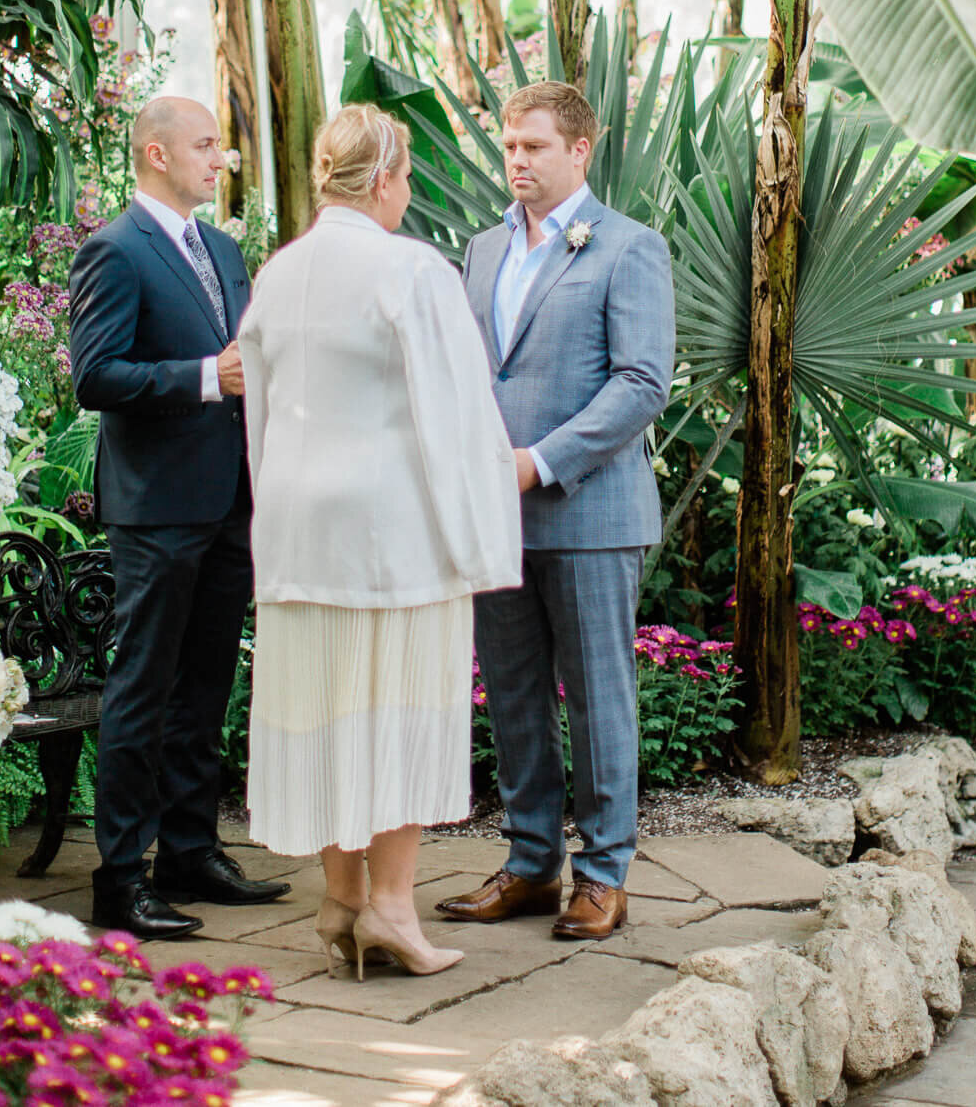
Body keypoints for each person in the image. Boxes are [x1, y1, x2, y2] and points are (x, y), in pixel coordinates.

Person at [238, 104, 520, 979]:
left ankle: (342, 899)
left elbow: (260, 412)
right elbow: (457, 411)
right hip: (393, 529)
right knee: (397, 711)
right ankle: (393, 909)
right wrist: (481, 538)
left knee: (325, 710)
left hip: (296, 527)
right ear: (388, 179)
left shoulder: (278, 273)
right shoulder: (411, 269)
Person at [436, 82, 675, 942]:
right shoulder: (481, 249)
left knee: (598, 696)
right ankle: (531, 864)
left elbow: (642, 381)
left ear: (580, 150)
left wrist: (538, 463)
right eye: (509, 146)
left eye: (534, 146)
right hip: (492, 516)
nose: (517, 160)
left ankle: (603, 874)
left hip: (588, 510)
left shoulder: (628, 248)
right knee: (512, 696)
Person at [69, 96, 290, 940]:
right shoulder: (113, 251)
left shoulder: (226, 252)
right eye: (204, 146)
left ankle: (190, 854)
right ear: (156, 155)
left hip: (230, 500)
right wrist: (205, 378)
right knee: (141, 689)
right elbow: (96, 377)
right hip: (156, 508)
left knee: (204, 687)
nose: (218, 159)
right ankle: (120, 878)